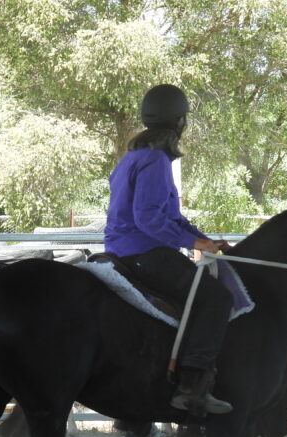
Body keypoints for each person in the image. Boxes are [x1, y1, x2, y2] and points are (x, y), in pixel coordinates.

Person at [104, 84, 234, 417]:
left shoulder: (134, 157)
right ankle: (192, 386)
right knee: (217, 298)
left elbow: (170, 217)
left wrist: (203, 239)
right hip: (145, 253)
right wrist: (192, 244)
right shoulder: (156, 161)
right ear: (179, 122)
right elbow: (147, 219)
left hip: (124, 250)